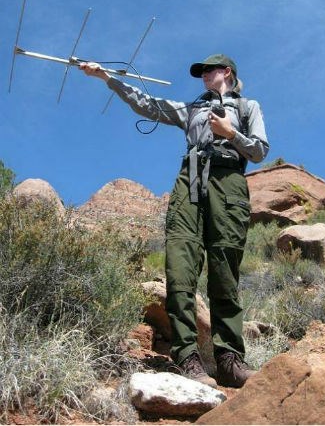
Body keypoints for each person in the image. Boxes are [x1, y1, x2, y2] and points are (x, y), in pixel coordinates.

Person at [80, 54, 269, 388]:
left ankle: (229, 361)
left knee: (225, 272)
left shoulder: (248, 107)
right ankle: (187, 358)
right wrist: (107, 78)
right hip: (191, 179)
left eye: (209, 70)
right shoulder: (192, 109)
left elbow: (259, 151)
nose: (204, 76)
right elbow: (148, 105)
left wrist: (230, 133)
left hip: (229, 183)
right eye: (201, 73)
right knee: (180, 267)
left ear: (226, 72)